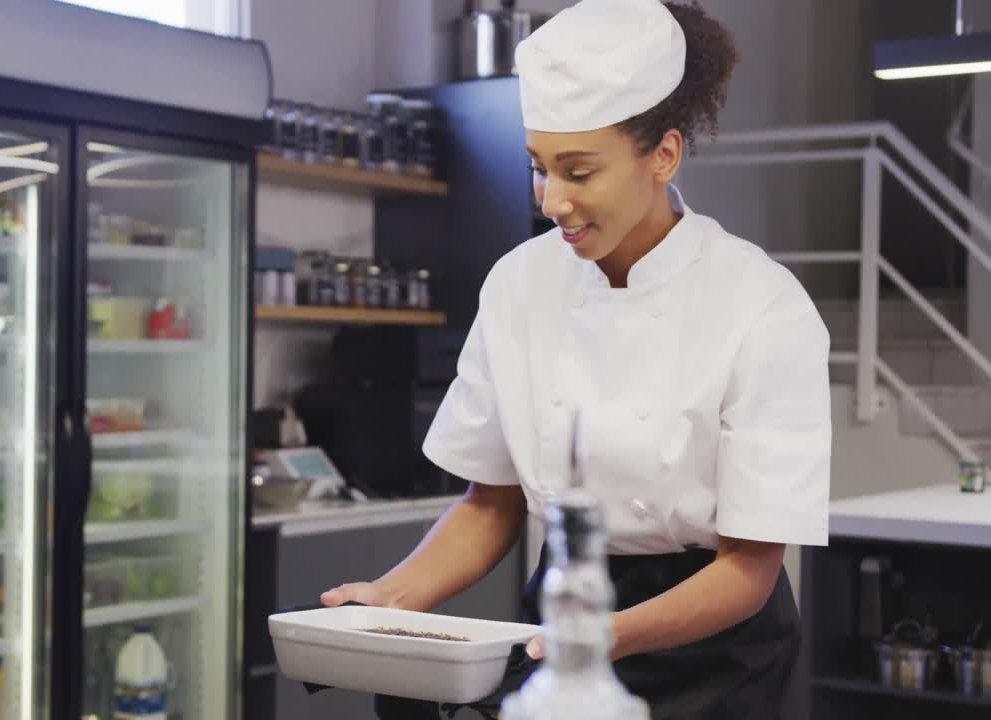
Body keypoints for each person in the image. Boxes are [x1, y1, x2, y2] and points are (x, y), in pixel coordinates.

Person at [319, 1, 831, 718]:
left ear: (664, 154)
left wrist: (598, 635)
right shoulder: (520, 285)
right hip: (561, 617)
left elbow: (749, 569)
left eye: (580, 171)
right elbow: (489, 505)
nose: (553, 199)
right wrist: (387, 600)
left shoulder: (761, 305)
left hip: (719, 653)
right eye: (538, 168)